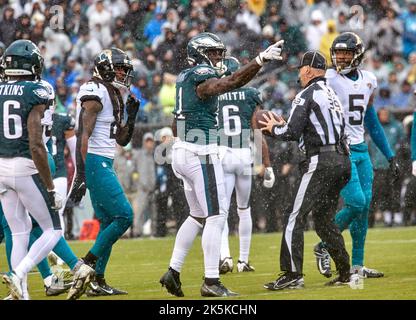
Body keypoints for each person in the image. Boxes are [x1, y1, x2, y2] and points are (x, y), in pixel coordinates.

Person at [159, 32, 284, 298]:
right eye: (214, 52)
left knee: (197, 216)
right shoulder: (201, 75)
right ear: (201, 53)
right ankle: (211, 282)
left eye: (219, 52)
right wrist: (260, 60)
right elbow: (230, 82)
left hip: (183, 150)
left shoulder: (183, 76)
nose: (219, 57)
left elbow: (176, 123)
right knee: (217, 217)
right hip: (200, 152)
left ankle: (173, 271)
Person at [0, 40, 89, 300]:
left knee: (18, 232)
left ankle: (21, 294)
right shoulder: (39, 90)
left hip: (1, 167)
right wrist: (50, 187)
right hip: (26, 165)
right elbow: (37, 143)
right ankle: (20, 273)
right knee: (53, 230)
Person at [260, 50, 355, 290]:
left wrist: (271, 128)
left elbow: (290, 133)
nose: (300, 74)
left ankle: (293, 274)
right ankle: (345, 273)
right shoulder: (332, 94)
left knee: (294, 215)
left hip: (321, 161)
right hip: (342, 160)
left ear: (309, 70)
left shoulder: (307, 93)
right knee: (323, 221)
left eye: (301, 69)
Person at [314, 33, 400, 279]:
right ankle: (324, 244)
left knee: (364, 210)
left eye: (346, 53)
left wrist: (390, 155)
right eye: (338, 52)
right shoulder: (327, 78)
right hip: (342, 150)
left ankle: (357, 267)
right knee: (356, 202)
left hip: (362, 149)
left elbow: (371, 121)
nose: (340, 57)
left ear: (358, 55)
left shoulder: (369, 80)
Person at [66, 47, 140, 298]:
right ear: (104, 67)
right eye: (118, 68)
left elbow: (122, 139)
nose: (122, 73)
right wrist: (83, 172)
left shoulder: (113, 93)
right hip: (95, 161)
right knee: (125, 216)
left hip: (105, 160)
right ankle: (86, 264)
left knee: (109, 221)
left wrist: (131, 117)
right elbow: (82, 134)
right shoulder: (95, 90)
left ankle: (97, 280)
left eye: (124, 69)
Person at [217, 56, 275, 274]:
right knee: (244, 208)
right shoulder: (250, 94)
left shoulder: (215, 92)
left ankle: (225, 257)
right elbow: (257, 131)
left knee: (220, 211)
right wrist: (267, 164)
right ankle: (243, 261)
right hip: (243, 154)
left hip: (222, 152)